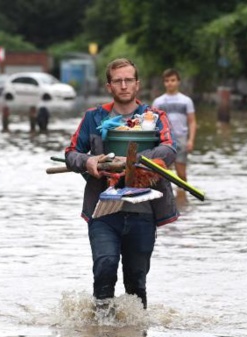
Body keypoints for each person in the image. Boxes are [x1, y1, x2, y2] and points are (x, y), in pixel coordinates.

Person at [65, 58, 179, 310]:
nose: (124, 85)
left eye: (129, 80)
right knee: (104, 268)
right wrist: (88, 161)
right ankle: (100, 336)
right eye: (118, 81)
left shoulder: (155, 117)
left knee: (136, 284)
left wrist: (135, 162)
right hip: (104, 210)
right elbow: (71, 153)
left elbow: (170, 148)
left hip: (143, 211)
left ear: (137, 85)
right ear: (109, 86)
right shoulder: (93, 118)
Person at [152, 69, 197, 189]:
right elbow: (152, 123)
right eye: (167, 81)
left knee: (181, 174)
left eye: (173, 80)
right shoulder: (158, 102)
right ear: (164, 83)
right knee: (164, 173)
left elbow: (192, 122)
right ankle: (167, 200)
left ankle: (183, 199)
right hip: (164, 140)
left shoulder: (186, 101)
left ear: (178, 82)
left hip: (181, 138)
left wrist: (191, 140)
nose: (170, 83)